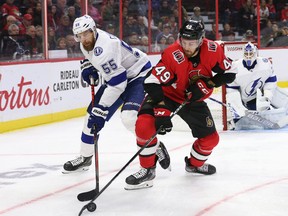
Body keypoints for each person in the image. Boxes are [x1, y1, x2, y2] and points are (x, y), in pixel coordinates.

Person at [125, 19, 237, 190]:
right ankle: (147, 170)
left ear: (201, 40)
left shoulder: (213, 49)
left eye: (191, 43)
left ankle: (194, 164)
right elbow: (151, 81)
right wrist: (162, 106)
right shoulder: (172, 54)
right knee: (143, 125)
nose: (186, 46)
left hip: (193, 100)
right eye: (184, 42)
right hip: (166, 95)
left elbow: (230, 72)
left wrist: (209, 84)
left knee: (210, 139)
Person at [62, 15, 170, 173]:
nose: (83, 38)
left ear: (93, 30)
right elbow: (94, 60)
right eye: (80, 35)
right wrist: (87, 66)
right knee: (90, 118)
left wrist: (101, 109)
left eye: (86, 33)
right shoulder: (86, 43)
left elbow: (118, 83)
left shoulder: (106, 48)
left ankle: (154, 144)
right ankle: (85, 157)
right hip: (117, 77)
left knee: (129, 118)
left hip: (137, 75)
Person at [226, 42, 288, 130]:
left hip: (260, 94)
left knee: (281, 102)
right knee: (243, 123)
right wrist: (238, 107)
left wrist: (267, 96)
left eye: (250, 53)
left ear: (255, 53)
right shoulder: (235, 67)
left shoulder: (265, 63)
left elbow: (271, 81)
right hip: (247, 100)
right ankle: (234, 120)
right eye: (246, 53)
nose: (248, 56)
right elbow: (231, 90)